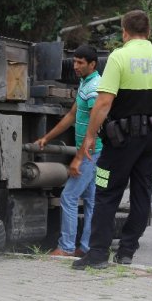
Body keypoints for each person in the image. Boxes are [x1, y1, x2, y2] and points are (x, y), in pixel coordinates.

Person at [71, 10, 152, 270]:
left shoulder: (119, 57)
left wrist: (89, 137)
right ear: (149, 32)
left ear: (124, 32)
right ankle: (127, 251)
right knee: (142, 194)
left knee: (106, 192)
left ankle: (97, 254)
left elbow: (104, 102)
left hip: (120, 141)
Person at [35, 45, 102, 257]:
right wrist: (47, 137)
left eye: (81, 63)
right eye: (74, 61)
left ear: (93, 64)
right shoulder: (86, 83)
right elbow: (71, 116)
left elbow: (95, 126)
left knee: (69, 197)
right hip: (94, 152)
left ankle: (66, 247)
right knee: (91, 201)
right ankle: (86, 247)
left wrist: (78, 158)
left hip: (91, 153)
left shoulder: (94, 88)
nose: (75, 66)